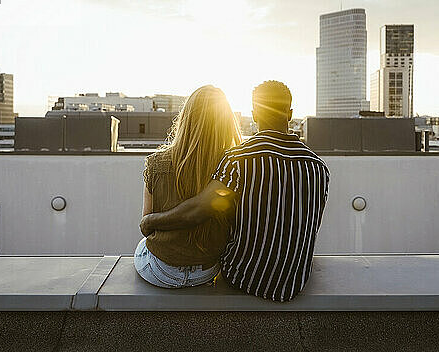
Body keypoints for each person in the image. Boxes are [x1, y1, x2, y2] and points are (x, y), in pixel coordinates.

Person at [141, 80, 330, 301]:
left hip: (244, 277)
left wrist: (151, 222)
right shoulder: (318, 167)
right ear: (289, 114)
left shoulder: (239, 159)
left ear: (255, 114)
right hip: (296, 281)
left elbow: (199, 209)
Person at [134, 85, 242, 288]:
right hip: (207, 270)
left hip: (160, 271)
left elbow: (146, 226)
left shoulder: (156, 162)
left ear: (186, 117)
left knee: (142, 246)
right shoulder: (230, 168)